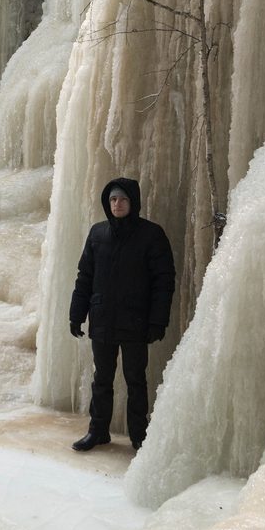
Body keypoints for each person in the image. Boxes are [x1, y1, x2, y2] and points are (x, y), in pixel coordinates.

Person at [68, 177, 176, 452]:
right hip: (103, 319)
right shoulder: (97, 233)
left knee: (135, 380)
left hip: (135, 322)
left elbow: (164, 281)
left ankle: (138, 435)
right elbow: (85, 277)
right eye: (113, 199)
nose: (117, 204)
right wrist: (76, 313)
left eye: (123, 199)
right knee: (101, 379)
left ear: (133, 202)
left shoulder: (151, 235)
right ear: (108, 202)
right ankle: (98, 431)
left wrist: (156, 321)